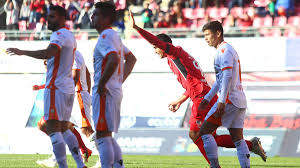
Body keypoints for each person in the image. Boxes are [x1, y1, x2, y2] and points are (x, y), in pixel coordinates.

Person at [128, 11, 267, 167]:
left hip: (203, 99)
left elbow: (214, 80)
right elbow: (193, 84)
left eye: (156, 48)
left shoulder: (176, 53)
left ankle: (216, 166)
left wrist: (137, 28)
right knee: (210, 136)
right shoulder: (175, 59)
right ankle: (250, 145)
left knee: (196, 133)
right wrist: (180, 100)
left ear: (164, 46)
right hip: (205, 96)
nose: (155, 51)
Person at [7, 5, 86, 168]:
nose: (48, 19)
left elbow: (48, 53)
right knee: (64, 129)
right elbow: (57, 58)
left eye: (52, 17)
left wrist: (22, 51)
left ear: (63, 18)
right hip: (67, 87)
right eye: (48, 16)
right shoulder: (70, 35)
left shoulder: (58, 35)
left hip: (56, 88)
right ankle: (80, 164)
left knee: (52, 128)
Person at [91, 2, 137, 168]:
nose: (92, 17)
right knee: (107, 135)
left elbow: (113, 59)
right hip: (113, 89)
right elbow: (131, 59)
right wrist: (118, 81)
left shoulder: (105, 37)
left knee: (102, 135)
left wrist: (102, 83)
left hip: (105, 91)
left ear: (106, 18)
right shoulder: (114, 36)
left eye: (96, 14)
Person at [199, 20, 250, 168]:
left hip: (229, 99)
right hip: (239, 100)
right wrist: (208, 98)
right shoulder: (226, 49)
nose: (206, 38)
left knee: (204, 132)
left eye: (208, 34)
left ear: (218, 33)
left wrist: (221, 101)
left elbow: (227, 76)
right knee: (238, 139)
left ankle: (215, 167)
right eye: (204, 35)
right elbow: (220, 79)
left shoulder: (223, 50)